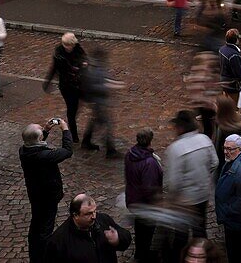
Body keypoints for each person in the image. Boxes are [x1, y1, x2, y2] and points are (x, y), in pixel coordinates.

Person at [20, 118, 73, 263]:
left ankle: (35, 253)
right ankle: (41, 257)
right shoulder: (45, 156)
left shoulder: (24, 150)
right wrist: (65, 129)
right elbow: (68, 151)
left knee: (36, 224)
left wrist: (45, 131)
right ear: (39, 139)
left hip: (35, 194)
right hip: (47, 197)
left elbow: (34, 141)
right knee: (45, 228)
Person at [164, 110, 218, 243]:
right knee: (200, 229)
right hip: (203, 194)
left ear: (180, 127)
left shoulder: (175, 149)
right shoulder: (204, 139)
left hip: (184, 200)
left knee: (181, 234)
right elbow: (214, 162)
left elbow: (174, 182)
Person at [45, 193, 132, 262]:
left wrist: (118, 239)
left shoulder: (103, 220)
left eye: (94, 211)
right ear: (75, 215)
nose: (94, 216)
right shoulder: (59, 240)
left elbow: (126, 237)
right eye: (88, 214)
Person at [124, 129, 163, 262]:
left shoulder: (130, 154)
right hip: (146, 204)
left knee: (140, 228)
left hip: (133, 199)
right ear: (150, 140)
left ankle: (140, 253)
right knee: (147, 231)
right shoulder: (149, 163)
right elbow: (149, 188)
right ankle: (144, 255)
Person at [44, 32, 87, 143]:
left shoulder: (79, 51)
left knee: (77, 106)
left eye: (69, 45)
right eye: (65, 44)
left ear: (73, 44)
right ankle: (73, 133)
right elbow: (53, 68)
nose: (66, 47)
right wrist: (47, 82)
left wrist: (83, 67)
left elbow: (85, 64)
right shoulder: (59, 53)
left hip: (79, 84)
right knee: (71, 109)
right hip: (66, 86)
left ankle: (73, 122)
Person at [81, 47, 121, 157]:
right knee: (107, 124)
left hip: (97, 102)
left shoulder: (94, 67)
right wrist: (106, 86)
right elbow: (92, 86)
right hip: (98, 102)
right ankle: (110, 150)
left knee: (94, 121)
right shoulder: (93, 69)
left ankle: (86, 141)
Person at [219, 29, 241, 108]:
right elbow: (239, 73)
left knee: (226, 106)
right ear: (237, 39)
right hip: (232, 85)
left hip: (224, 82)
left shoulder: (222, 49)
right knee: (233, 109)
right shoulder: (234, 55)